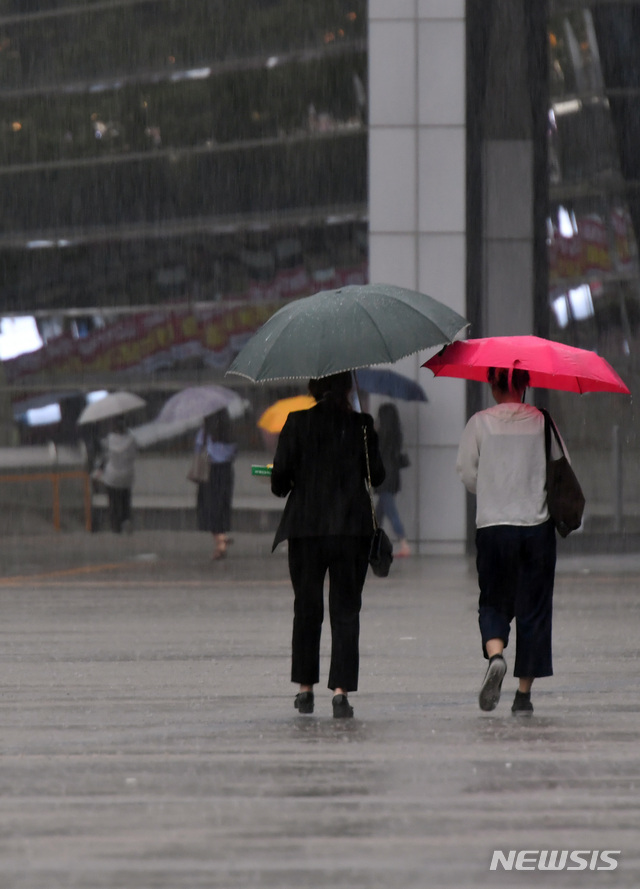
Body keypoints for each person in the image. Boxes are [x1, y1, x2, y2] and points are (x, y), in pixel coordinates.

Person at [270, 371, 385, 719]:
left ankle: (305, 689)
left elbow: (279, 482)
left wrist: (296, 475)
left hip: (307, 529)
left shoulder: (297, 422)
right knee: (346, 610)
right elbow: (377, 476)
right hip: (351, 529)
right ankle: (340, 691)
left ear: (313, 387)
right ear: (348, 387)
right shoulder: (361, 425)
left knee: (307, 607)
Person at [455, 366, 565, 716]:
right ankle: (522, 695)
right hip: (535, 526)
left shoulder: (479, 423)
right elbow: (561, 468)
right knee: (533, 610)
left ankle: (496, 654)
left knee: (493, 601)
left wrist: (491, 484)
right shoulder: (542, 422)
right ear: (525, 384)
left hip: (493, 527)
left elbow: (467, 473)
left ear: (491, 384)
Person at [196, 408, 237, 560]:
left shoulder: (206, 432)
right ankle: (221, 539)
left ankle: (220, 542)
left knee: (209, 507)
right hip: (226, 472)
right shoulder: (229, 432)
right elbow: (234, 453)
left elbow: (198, 448)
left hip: (211, 472)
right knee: (222, 506)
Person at [374, 402, 411, 557]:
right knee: (378, 514)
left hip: (384, 477)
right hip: (392, 476)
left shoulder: (381, 435)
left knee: (389, 511)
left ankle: (404, 544)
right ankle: (373, 545)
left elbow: (377, 453)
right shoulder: (396, 434)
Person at [99, 415, 137, 534]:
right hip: (127, 475)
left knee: (113, 502)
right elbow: (134, 455)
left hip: (112, 476)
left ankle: (115, 525)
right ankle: (126, 520)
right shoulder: (132, 440)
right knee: (125, 500)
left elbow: (104, 456)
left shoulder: (109, 440)